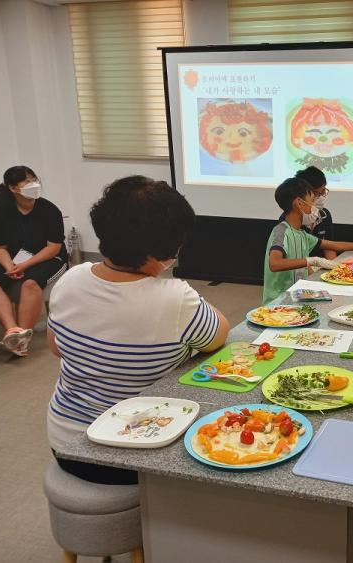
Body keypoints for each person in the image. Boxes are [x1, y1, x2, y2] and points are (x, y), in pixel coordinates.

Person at [46, 176, 230, 484]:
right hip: (137, 455)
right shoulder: (176, 298)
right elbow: (218, 336)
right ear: (163, 249)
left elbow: (56, 348)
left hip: (64, 443)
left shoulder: (70, 279)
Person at [0, 166, 68, 356]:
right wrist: (9, 266)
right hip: (15, 260)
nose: (33, 184)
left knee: (30, 283)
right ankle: (14, 331)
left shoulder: (49, 210)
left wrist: (24, 265)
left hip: (50, 258)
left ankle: (21, 343)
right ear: (13, 188)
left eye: (34, 179)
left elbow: (53, 247)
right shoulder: (2, 213)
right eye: (27, 181)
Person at [264, 177, 353, 303]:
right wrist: (311, 261)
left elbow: (334, 245)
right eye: (312, 200)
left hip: (298, 296)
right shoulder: (281, 231)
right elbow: (274, 264)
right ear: (299, 203)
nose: (314, 206)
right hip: (279, 302)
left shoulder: (302, 234)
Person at [278, 166, 336, 260]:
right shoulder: (288, 221)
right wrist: (312, 265)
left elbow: (330, 248)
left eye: (323, 191)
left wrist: (332, 266)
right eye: (316, 193)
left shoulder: (325, 215)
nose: (321, 196)